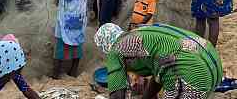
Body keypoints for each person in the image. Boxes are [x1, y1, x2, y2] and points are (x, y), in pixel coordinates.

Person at [94, 23, 223, 99]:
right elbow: (159, 75)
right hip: (213, 63)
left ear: (105, 44)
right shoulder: (140, 33)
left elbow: (117, 95)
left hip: (192, 74)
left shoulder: (116, 50)